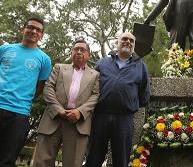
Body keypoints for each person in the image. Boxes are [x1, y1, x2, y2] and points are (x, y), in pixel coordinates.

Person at [85, 32, 151, 167]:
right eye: (124, 39)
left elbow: (144, 94)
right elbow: (90, 86)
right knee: (93, 157)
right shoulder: (102, 63)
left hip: (124, 119)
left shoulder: (140, 66)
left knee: (121, 159)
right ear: (117, 42)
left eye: (131, 40)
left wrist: (129, 103)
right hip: (100, 116)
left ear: (134, 45)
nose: (128, 42)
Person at [33, 39, 100, 167]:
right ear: (71, 52)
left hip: (78, 124)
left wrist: (79, 112)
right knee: (41, 162)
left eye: (83, 50)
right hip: (53, 119)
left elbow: (96, 96)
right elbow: (48, 88)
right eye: (76, 49)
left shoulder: (95, 75)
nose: (79, 52)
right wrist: (60, 110)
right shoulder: (59, 68)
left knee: (73, 163)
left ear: (88, 55)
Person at [0, 17, 52, 167]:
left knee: (7, 160)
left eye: (38, 30)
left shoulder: (44, 60)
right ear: (23, 29)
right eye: (30, 27)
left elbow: (40, 87)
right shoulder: (5, 49)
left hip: (19, 114)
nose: (33, 31)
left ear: (41, 36)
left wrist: (22, 99)